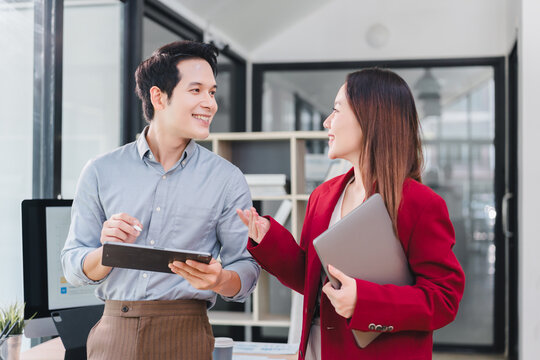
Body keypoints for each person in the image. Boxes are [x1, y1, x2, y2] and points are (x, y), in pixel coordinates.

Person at [237, 68, 465, 360]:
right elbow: (310, 278)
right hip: (318, 349)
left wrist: (364, 302)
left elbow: (444, 299)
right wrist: (269, 239)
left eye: (336, 110)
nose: (326, 121)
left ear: (370, 118)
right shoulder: (323, 195)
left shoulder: (420, 203)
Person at [62, 40, 260, 360]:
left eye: (211, 92)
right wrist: (106, 252)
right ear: (158, 96)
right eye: (196, 90)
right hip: (114, 332)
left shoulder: (227, 178)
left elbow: (246, 268)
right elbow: (73, 266)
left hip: (188, 332)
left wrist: (221, 279)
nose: (210, 103)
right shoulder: (101, 171)